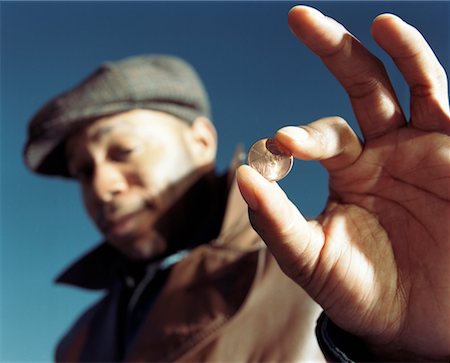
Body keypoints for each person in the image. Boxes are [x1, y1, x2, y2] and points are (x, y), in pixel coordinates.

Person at [23, 5, 449, 363]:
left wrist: (406, 350)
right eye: (83, 171)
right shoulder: (77, 342)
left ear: (202, 140)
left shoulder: (327, 286)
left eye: (123, 151)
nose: (102, 186)